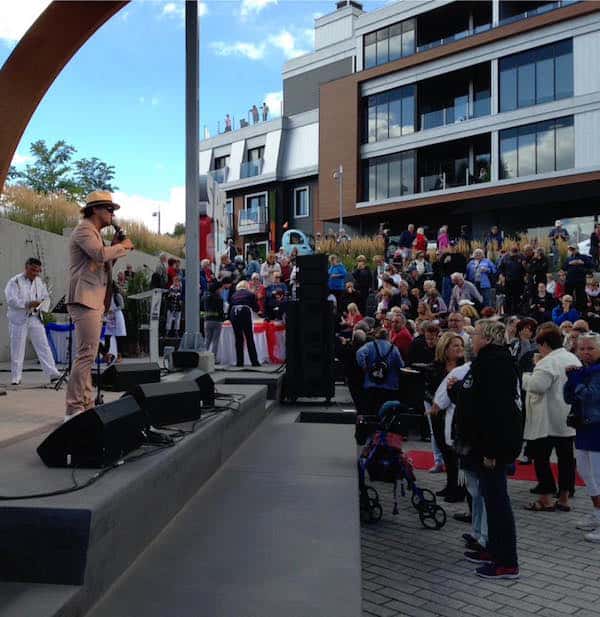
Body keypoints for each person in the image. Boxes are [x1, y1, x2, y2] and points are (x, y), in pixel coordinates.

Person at [65, 191, 133, 420]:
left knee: (89, 353)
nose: (112, 214)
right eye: (109, 209)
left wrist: (115, 248)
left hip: (94, 299)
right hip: (85, 298)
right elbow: (99, 254)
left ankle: (86, 404)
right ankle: (74, 408)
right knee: (86, 355)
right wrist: (122, 246)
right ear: (95, 209)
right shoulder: (85, 229)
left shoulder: (94, 233)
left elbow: (102, 262)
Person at [463, 319, 521, 579]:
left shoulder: (495, 363)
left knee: (497, 503)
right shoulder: (490, 361)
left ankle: (506, 562)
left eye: (475, 335)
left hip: (493, 447)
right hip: (485, 443)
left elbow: (497, 412)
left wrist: (491, 450)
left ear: (486, 338)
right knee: (491, 498)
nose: (472, 339)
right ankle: (494, 550)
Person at [522, 323, 580, 512]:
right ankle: (564, 498)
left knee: (541, 458)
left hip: (547, 420)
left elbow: (537, 386)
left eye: (540, 345)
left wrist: (528, 374)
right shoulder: (572, 357)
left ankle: (546, 498)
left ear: (545, 344)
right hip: (567, 419)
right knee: (566, 459)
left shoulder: (548, 362)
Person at [564, 333, 600, 542]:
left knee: (597, 475)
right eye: (582, 349)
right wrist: (571, 382)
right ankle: (597, 514)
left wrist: (575, 381)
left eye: (590, 349)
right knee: (586, 473)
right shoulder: (584, 370)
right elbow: (568, 397)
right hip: (583, 428)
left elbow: (590, 395)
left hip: (597, 428)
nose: (585, 352)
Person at [4, 257, 61, 385]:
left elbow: (46, 298)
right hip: (19, 319)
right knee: (17, 348)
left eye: (37, 271)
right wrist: (27, 304)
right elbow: (11, 300)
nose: (35, 273)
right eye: (32, 270)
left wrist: (40, 306)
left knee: (43, 345)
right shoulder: (15, 281)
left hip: (34, 317)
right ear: (26, 267)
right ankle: (16, 377)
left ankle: (53, 373)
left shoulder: (39, 282)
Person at [425, 332, 466, 503]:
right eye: (455, 345)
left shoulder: (466, 367)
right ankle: (450, 485)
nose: (459, 349)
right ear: (445, 348)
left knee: (457, 453)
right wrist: (437, 401)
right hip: (438, 415)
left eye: (460, 345)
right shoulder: (434, 368)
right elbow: (426, 390)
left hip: (457, 415)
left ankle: (459, 489)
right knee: (445, 450)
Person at [356, 328, 404, 415]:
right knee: (385, 413)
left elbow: (360, 353)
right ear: (388, 337)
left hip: (371, 384)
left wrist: (364, 366)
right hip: (389, 386)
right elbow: (401, 365)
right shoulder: (394, 348)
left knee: (370, 412)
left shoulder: (370, 345)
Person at [228, 280, 260, 367]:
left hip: (234, 312)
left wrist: (228, 318)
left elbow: (230, 307)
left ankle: (239, 362)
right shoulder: (250, 294)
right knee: (249, 337)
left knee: (238, 339)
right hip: (245, 312)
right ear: (247, 286)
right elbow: (256, 308)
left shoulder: (234, 294)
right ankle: (254, 362)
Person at [564, 244, 593, 313]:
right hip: (569, 281)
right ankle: (568, 310)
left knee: (581, 297)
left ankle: (581, 312)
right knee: (568, 296)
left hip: (580, 281)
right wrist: (570, 263)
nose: (572, 251)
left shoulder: (584, 257)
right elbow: (563, 267)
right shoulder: (568, 258)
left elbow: (591, 266)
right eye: (571, 249)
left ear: (577, 249)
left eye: (573, 249)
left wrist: (582, 263)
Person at [201, 279, 227, 356]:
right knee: (215, 341)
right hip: (217, 321)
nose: (222, 290)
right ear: (217, 289)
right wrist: (223, 319)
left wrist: (204, 317)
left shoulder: (204, 297)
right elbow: (221, 311)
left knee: (207, 339)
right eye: (221, 288)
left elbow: (201, 309)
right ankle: (213, 358)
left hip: (207, 320)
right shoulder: (219, 299)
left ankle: (203, 356)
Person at [103, 281, 126, 360]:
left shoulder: (117, 295)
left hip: (117, 316)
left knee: (118, 337)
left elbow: (122, 306)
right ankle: (107, 355)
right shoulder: (107, 296)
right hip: (109, 317)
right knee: (107, 336)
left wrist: (113, 310)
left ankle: (119, 355)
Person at [499, 246, 525, 315]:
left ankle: (517, 313)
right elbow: (501, 268)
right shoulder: (505, 257)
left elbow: (525, 268)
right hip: (508, 281)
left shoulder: (521, 256)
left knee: (517, 298)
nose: (514, 254)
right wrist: (502, 277)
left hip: (519, 281)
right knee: (508, 298)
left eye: (515, 253)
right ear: (510, 252)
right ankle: (507, 313)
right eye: (513, 253)